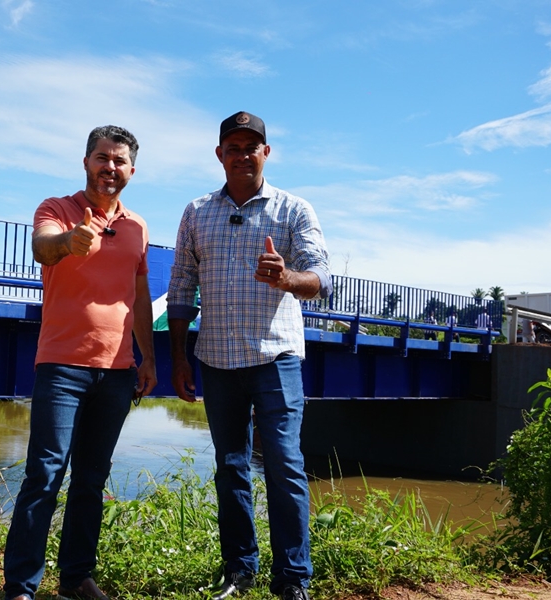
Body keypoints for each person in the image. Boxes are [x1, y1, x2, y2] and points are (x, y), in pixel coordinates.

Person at [167, 111, 331, 600]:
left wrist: (286, 278)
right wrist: (178, 357)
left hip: (275, 360)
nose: (242, 155)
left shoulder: (293, 210)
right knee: (231, 466)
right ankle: (240, 570)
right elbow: (180, 286)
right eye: (232, 147)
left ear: (266, 152)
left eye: (251, 147)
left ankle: (293, 578)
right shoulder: (197, 212)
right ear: (220, 155)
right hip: (216, 360)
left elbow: (321, 278)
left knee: (283, 464)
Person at [3, 126, 157, 600]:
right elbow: (42, 247)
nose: (110, 167)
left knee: (91, 480)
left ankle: (75, 579)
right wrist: (72, 241)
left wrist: (147, 356)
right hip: (62, 365)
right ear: (86, 161)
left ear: (132, 170)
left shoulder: (137, 226)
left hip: (117, 370)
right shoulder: (57, 209)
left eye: (119, 161)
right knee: (45, 475)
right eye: (101, 158)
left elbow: (140, 293)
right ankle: (22, 587)